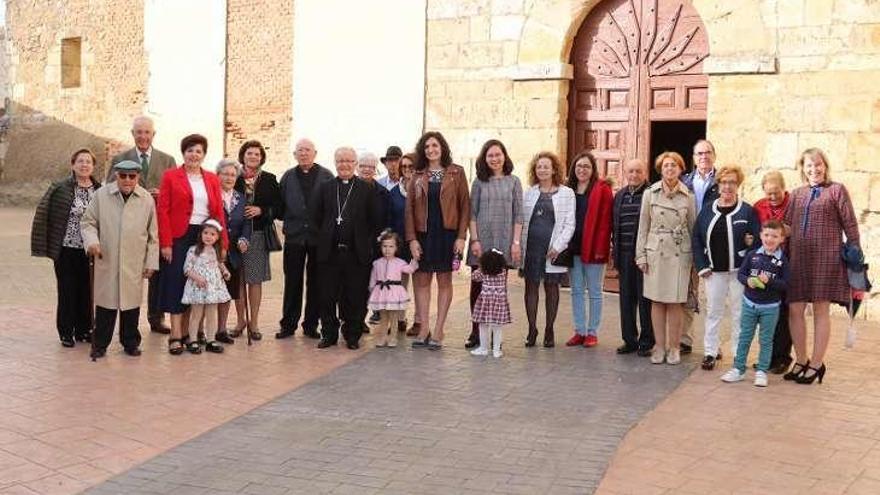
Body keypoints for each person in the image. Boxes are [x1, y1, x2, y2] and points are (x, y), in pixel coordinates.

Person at [784, 148, 860, 384]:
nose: (814, 169)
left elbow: (850, 224)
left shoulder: (836, 190)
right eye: (809, 165)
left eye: (818, 165)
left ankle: (817, 364)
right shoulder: (796, 194)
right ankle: (802, 359)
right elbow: (786, 227)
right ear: (802, 168)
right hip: (798, 258)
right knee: (795, 309)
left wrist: (856, 255)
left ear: (825, 166)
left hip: (826, 258)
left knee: (820, 310)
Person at [157, 134, 227, 355]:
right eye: (190, 150)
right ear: (183, 153)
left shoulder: (212, 179)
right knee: (177, 282)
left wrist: (223, 242)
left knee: (198, 285)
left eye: (198, 151)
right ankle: (176, 334)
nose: (194, 154)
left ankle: (191, 333)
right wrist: (166, 242)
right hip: (179, 235)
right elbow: (163, 210)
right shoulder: (170, 176)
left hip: (205, 235)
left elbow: (217, 213)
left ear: (204, 155)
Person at [80, 160, 158, 359]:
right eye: (123, 176)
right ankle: (100, 343)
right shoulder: (101, 196)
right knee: (106, 304)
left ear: (138, 177)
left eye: (132, 176)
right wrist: (92, 242)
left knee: (131, 305)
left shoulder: (146, 199)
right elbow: (88, 223)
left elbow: (153, 235)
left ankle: (130, 342)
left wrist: (151, 262)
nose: (127, 180)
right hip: (108, 257)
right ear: (116, 176)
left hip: (134, 260)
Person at [109, 116, 177, 335]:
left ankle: (156, 318)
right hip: (130, 224)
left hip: (158, 222)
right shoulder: (120, 158)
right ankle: (128, 324)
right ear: (133, 134)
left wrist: (162, 193)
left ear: (153, 135)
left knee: (156, 272)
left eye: (147, 132)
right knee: (130, 274)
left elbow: (177, 191)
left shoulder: (167, 160)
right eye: (139, 132)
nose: (143, 136)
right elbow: (110, 187)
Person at [31, 148, 102, 347]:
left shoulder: (100, 190)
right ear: (73, 164)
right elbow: (44, 213)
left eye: (88, 161)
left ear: (93, 166)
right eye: (80, 161)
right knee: (67, 290)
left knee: (87, 291)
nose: (84, 165)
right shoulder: (60, 187)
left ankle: (84, 330)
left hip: (90, 249)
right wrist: (44, 244)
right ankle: (66, 331)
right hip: (66, 248)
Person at [406, 131, 470, 350]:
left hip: (447, 234)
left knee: (444, 282)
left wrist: (461, 237)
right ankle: (424, 328)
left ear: (442, 147)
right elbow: (409, 210)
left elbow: (465, 207)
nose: (431, 150)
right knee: (422, 282)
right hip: (423, 235)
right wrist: (412, 239)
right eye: (426, 147)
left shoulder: (456, 173)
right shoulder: (417, 175)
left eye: (435, 145)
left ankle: (439, 329)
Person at [692, 165, 760, 370]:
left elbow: (757, 241)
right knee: (714, 311)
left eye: (732, 182)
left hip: (739, 272)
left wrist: (748, 252)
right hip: (714, 272)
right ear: (718, 184)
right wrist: (701, 265)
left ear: (738, 185)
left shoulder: (748, 211)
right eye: (724, 182)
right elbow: (696, 238)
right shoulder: (707, 210)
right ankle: (710, 352)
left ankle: (739, 355)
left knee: (740, 313)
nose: (727, 186)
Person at [313, 146, 380, 350]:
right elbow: (316, 217)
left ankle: (352, 335)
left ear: (355, 164)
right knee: (327, 295)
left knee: (355, 295)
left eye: (349, 161)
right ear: (335, 163)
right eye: (340, 160)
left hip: (356, 253)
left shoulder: (366, 189)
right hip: (330, 252)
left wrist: (366, 244)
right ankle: (329, 334)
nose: (344, 164)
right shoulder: (325, 187)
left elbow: (374, 221)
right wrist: (324, 238)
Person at [636, 151, 695, 365]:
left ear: (681, 169)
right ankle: (659, 347)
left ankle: (675, 347)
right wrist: (640, 255)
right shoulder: (649, 194)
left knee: (676, 303)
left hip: (680, 253)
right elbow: (643, 228)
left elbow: (693, 227)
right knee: (658, 301)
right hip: (655, 253)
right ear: (660, 169)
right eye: (666, 165)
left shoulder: (688, 197)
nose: (670, 169)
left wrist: (696, 260)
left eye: (674, 165)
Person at [464, 139, 523, 350]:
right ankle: (476, 331)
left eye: (498, 154)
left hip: (505, 241)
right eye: (490, 155)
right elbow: (472, 214)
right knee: (477, 288)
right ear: (484, 158)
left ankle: (495, 334)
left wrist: (516, 243)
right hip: (482, 242)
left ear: (504, 156)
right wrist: (475, 239)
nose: (495, 159)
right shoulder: (479, 182)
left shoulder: (514, 181)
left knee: (497, 290)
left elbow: (519, 215)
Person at [277, 138, 334, 339]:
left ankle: (311, 324)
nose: (303, 153)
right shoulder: (288, 177)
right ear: (294, 154)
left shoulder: (327, 176)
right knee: (292, 281)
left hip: (318, 239)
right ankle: (288, 324)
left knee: (316, 282)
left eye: (307, 150)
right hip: (294, 237)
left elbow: (331, 207)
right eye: (300, 150)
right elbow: (280, 205)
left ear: (315, 153)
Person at [721, 219, 789, 387]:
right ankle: (738, 369)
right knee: (745, 337)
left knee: (766, 340)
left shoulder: (782, 261)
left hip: (770, 308)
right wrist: (748, 281)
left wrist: (770, 281)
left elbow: (786, 284)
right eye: (766, 235)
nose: (769, 239)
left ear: (782, 239)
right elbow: (741, 275)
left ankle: (761, 371)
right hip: (749, 304)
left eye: (774, 236)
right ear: (761, 235)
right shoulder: (752, 255)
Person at [520, 151, 576, 348]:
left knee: (551, 289)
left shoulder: (566, 193)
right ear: (535, 170)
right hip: (532, 248)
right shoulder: (529, 192)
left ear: (554, 170)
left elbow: (570, 224)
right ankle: (532, 329)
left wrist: (558, 246)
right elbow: (521, 221)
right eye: (539, 166)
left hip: (553, 249)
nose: (542, 169)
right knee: (531, 287)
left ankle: (549, 329)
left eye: (546, 166)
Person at [234, 140, 281, 341]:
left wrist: (261, 210)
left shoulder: (269, 179)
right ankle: (240, 320)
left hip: (258, 234)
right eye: (249, 153)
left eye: (257, 154)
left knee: (254, 280)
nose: (253, 157)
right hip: (236, 234)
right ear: (243, 156)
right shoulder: (233, 176)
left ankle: (254, 322)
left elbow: (279, 207)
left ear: (261, 158)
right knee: (238, 280)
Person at [564, 151, 612, 348]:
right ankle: (580, 330)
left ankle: (592, 332)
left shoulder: (602, 189)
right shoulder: (567, 189)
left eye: (586, 166)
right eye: (579, 166)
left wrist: (602, 248)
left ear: (593, 170)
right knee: (576, 290)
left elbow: (606, 222)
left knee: (594, 291)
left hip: (594, 248)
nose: (582, 170)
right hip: (573, 247)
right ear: (573, 169)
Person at [679, 139, 719, 354]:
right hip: (689, 244)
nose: (704, 157)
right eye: (700, 153)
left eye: (708, 152)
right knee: (688, 292)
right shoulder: (684, 182)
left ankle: (713, 345)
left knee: (715, 296)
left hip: (714, 246)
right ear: (694, 158)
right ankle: (685, 338)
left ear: (714, 155)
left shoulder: (723, 181)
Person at [612, 159, 654, 356]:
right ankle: (629, 340)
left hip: (643, 257)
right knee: (626, 300)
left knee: (645, 300)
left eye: (638, 171)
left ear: (644, 173)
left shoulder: (651, 194)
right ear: (625, 173)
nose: (634, 175)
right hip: (623, 255)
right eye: (630, 171)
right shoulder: (619, 195)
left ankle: (647, 341)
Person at [753, 171, 793, 373]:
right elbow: (753, 231)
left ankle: (782, 358)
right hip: (765, 265)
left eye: (776, 192)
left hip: (786, 264)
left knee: (783, 314)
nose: (773, 197)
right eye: (769, 193)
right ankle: (766, 357)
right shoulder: (759, 206)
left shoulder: (793, 204)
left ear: (784, 188)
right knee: (766, 312)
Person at [182, 219, 232, 354]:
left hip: (213, 288)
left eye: (212, 234)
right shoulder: (193, 250)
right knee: (196, 314)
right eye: (206, 233)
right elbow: (187, 269)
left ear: (217, 237)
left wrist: (225, 272)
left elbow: (220, 264)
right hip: (198, 288)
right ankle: (192, 340)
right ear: (200, 234)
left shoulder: (216, 251)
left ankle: (211, 340)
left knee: (212, 314)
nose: (208, 236)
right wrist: (197, 278)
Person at [215, 159, 251, 344]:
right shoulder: (212, 195)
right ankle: (200, 331)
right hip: (214, 252)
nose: (229, 177)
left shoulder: (241, 198)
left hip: (234, 253)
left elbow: (246, 224)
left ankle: (221, 330)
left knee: (227, 292)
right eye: (225, 174)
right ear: (218, 175)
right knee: (209, 292)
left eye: (232, 175)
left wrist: (244, 239)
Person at [368, 230, 419, 348]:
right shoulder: (377, 263)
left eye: (391, 246)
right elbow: (373, 278)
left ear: (396, 248)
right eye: (384, 246)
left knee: (394, 317)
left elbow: (410, 269)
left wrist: (415, 259)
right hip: (381, 292)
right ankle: (382, 337)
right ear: (381, 247)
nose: (387, 249)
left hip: (394, 293)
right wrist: (371, 289)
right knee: (383, 316)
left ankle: (393, 338)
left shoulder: (400, 263)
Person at [358, 151, 391, 329]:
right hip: (352, 246)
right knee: (355, 285)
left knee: (371, 284)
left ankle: (365, 317)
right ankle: (355, 319)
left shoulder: (382, 193)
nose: (367, 170)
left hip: (374, 246)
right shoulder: (349, 189)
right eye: (363, 166)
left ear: (375, 169)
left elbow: (386, 220)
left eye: (371, 167)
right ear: (357, 167)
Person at [389, 153, 421, 335]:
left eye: (411, 166)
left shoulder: (422, 190)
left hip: (418, 243)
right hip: (399, 244)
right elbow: (390, 218)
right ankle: (400, 319)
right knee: (399, 284)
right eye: (404, 167)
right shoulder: (393, 193)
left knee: (419, 284)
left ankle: (418, 321)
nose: (407, 170)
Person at [470, 249, 511, 358]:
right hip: (499, 303)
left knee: (483, 325)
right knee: (497, 328)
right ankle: (496, 350)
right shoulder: (503, 272)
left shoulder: (483, 271)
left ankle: (483, 348)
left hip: (485, 302)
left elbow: (474, 277)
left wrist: (480, 266)